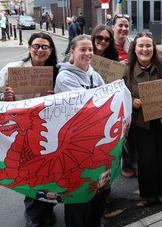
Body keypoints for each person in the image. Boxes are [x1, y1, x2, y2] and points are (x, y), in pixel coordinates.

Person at [0, 32, 59, 227]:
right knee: (30, 174)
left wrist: (56, 96)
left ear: (50, 51)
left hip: (48, 128)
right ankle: (32, 214)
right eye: (36, 46)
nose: (40, 50)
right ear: (29, 48)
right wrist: (5, 97)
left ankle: (49, 209)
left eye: (45, 47)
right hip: (22, 131)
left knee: (50, 172)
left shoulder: (56, 72)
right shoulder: (12, 69)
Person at [123, 32, 162, 203]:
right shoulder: (126, 70)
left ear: (153, 47)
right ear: (134, 49)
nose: (145, 49)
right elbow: (116, 92)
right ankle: (149, 192)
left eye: (148, 45)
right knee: (147, 157)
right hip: (142, 121)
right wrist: (130, 100)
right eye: (141, 46)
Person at [54, 35, 109, 227]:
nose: (88, 54)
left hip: (97, 143)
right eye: (82, 50)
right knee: (78, 192)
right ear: (72, 52)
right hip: (75, 146)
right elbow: (85, 107)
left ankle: (95, 222)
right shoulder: (65, 77)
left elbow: (107, 99)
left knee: (101, 187)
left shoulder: (95, 75)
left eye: (90, 50)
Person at [111, 14, 137, 177]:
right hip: (112, 97)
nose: (124, 29)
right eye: (120, 25)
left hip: (131, 94)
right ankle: (119, 166)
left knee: (131, 131)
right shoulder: (106, 44)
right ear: (113, 26)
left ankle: (129, 163)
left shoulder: (133, 45)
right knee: (115, 133)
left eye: (126, 26)